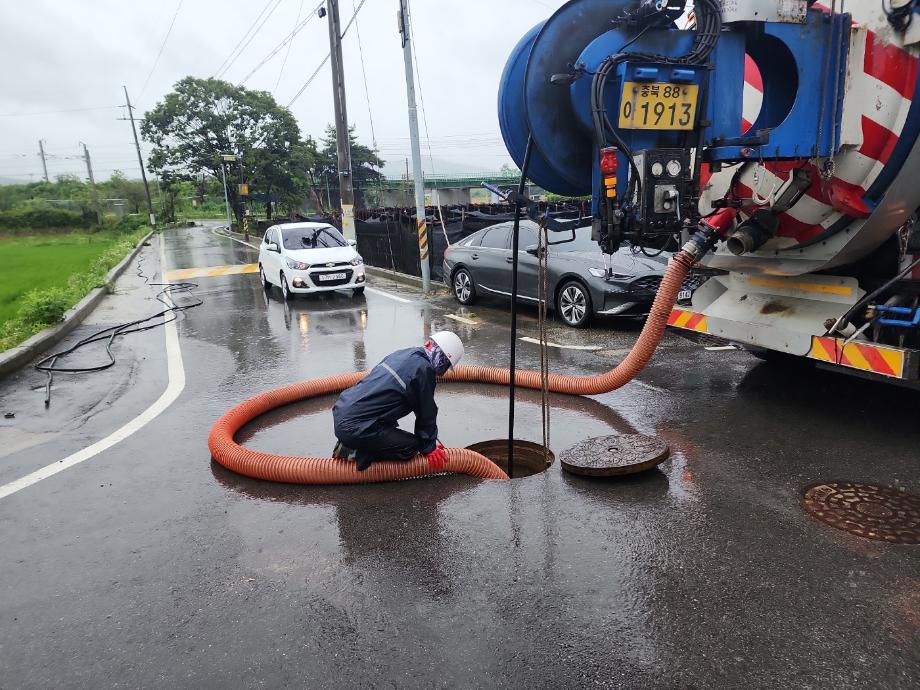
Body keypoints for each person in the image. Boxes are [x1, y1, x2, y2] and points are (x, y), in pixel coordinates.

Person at [332, 331, 465, 472]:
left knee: (393, 429)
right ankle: (354, 452)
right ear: (443, 359)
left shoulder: (405, 354)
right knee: (410, 446)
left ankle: (355, 443)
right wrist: (429, 448)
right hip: (356, 427)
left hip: (343, 412)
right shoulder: (423, 370)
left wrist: (430, 442)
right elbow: (426, 412)